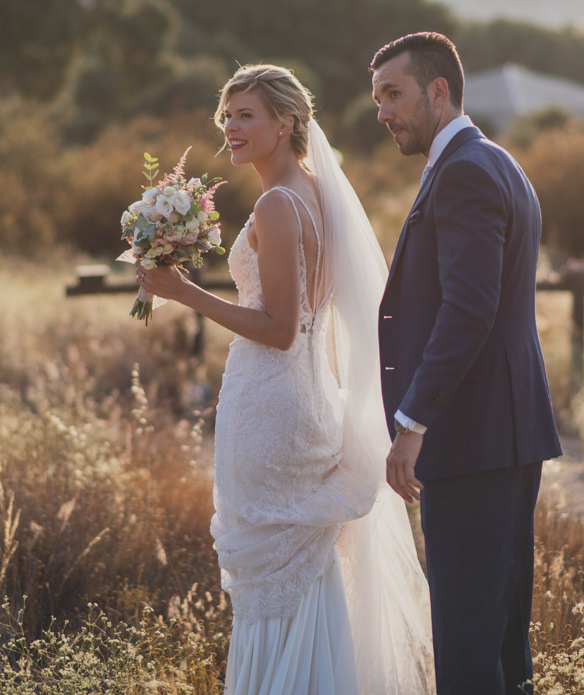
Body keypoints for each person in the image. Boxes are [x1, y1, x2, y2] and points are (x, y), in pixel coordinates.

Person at [138, 64, 435, 695]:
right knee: (306, 567)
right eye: (227, 116)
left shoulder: (277, 204)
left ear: (286, 122)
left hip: (273, 403)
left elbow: (278, 326)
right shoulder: (319, 191)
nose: (231, 128)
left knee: (273, 582)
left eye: (247, 115)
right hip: (306, 400)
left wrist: (182, 290)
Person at [370, 32, 562, 695]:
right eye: (377, 100)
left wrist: (413, 420)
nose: (384, 112)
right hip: (502, 432)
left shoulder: (466, 173)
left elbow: (469, 310)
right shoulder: (497, 161)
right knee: (499, 636)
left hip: (473, 437)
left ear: (439, 90)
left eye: (393, 94)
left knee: (468, 646)